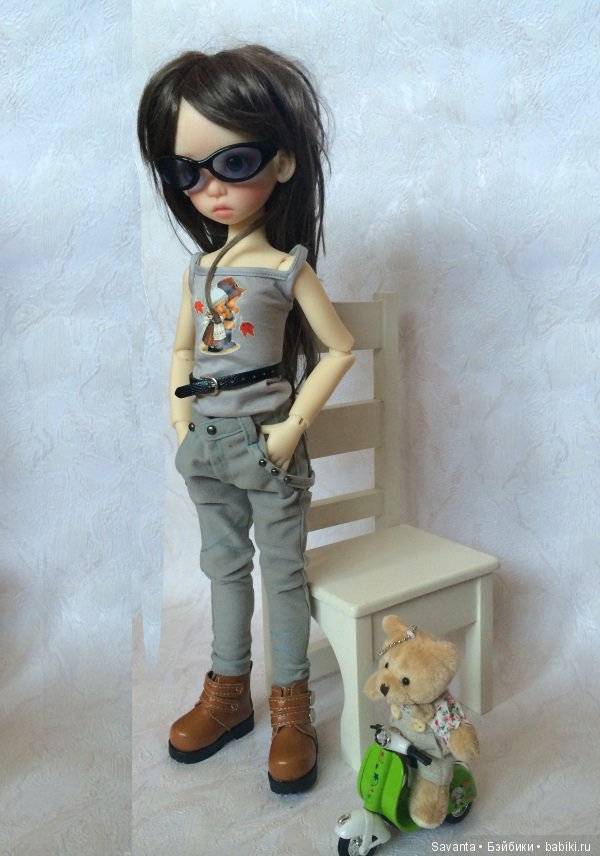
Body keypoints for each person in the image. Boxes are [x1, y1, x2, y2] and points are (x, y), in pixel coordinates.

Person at [137, 44, 355, 794]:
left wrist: (290, 430)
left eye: (233, 164)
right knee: (221, 569)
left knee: (282, 573)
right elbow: (180, 349)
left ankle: (292, 706)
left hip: (266, 447)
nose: (211, 189)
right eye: (186, 172)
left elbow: (339, 348)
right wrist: (179, 426)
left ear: (282, 162)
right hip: (205, 445)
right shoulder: (198, 270)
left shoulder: (287, 268)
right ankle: (228, 691)